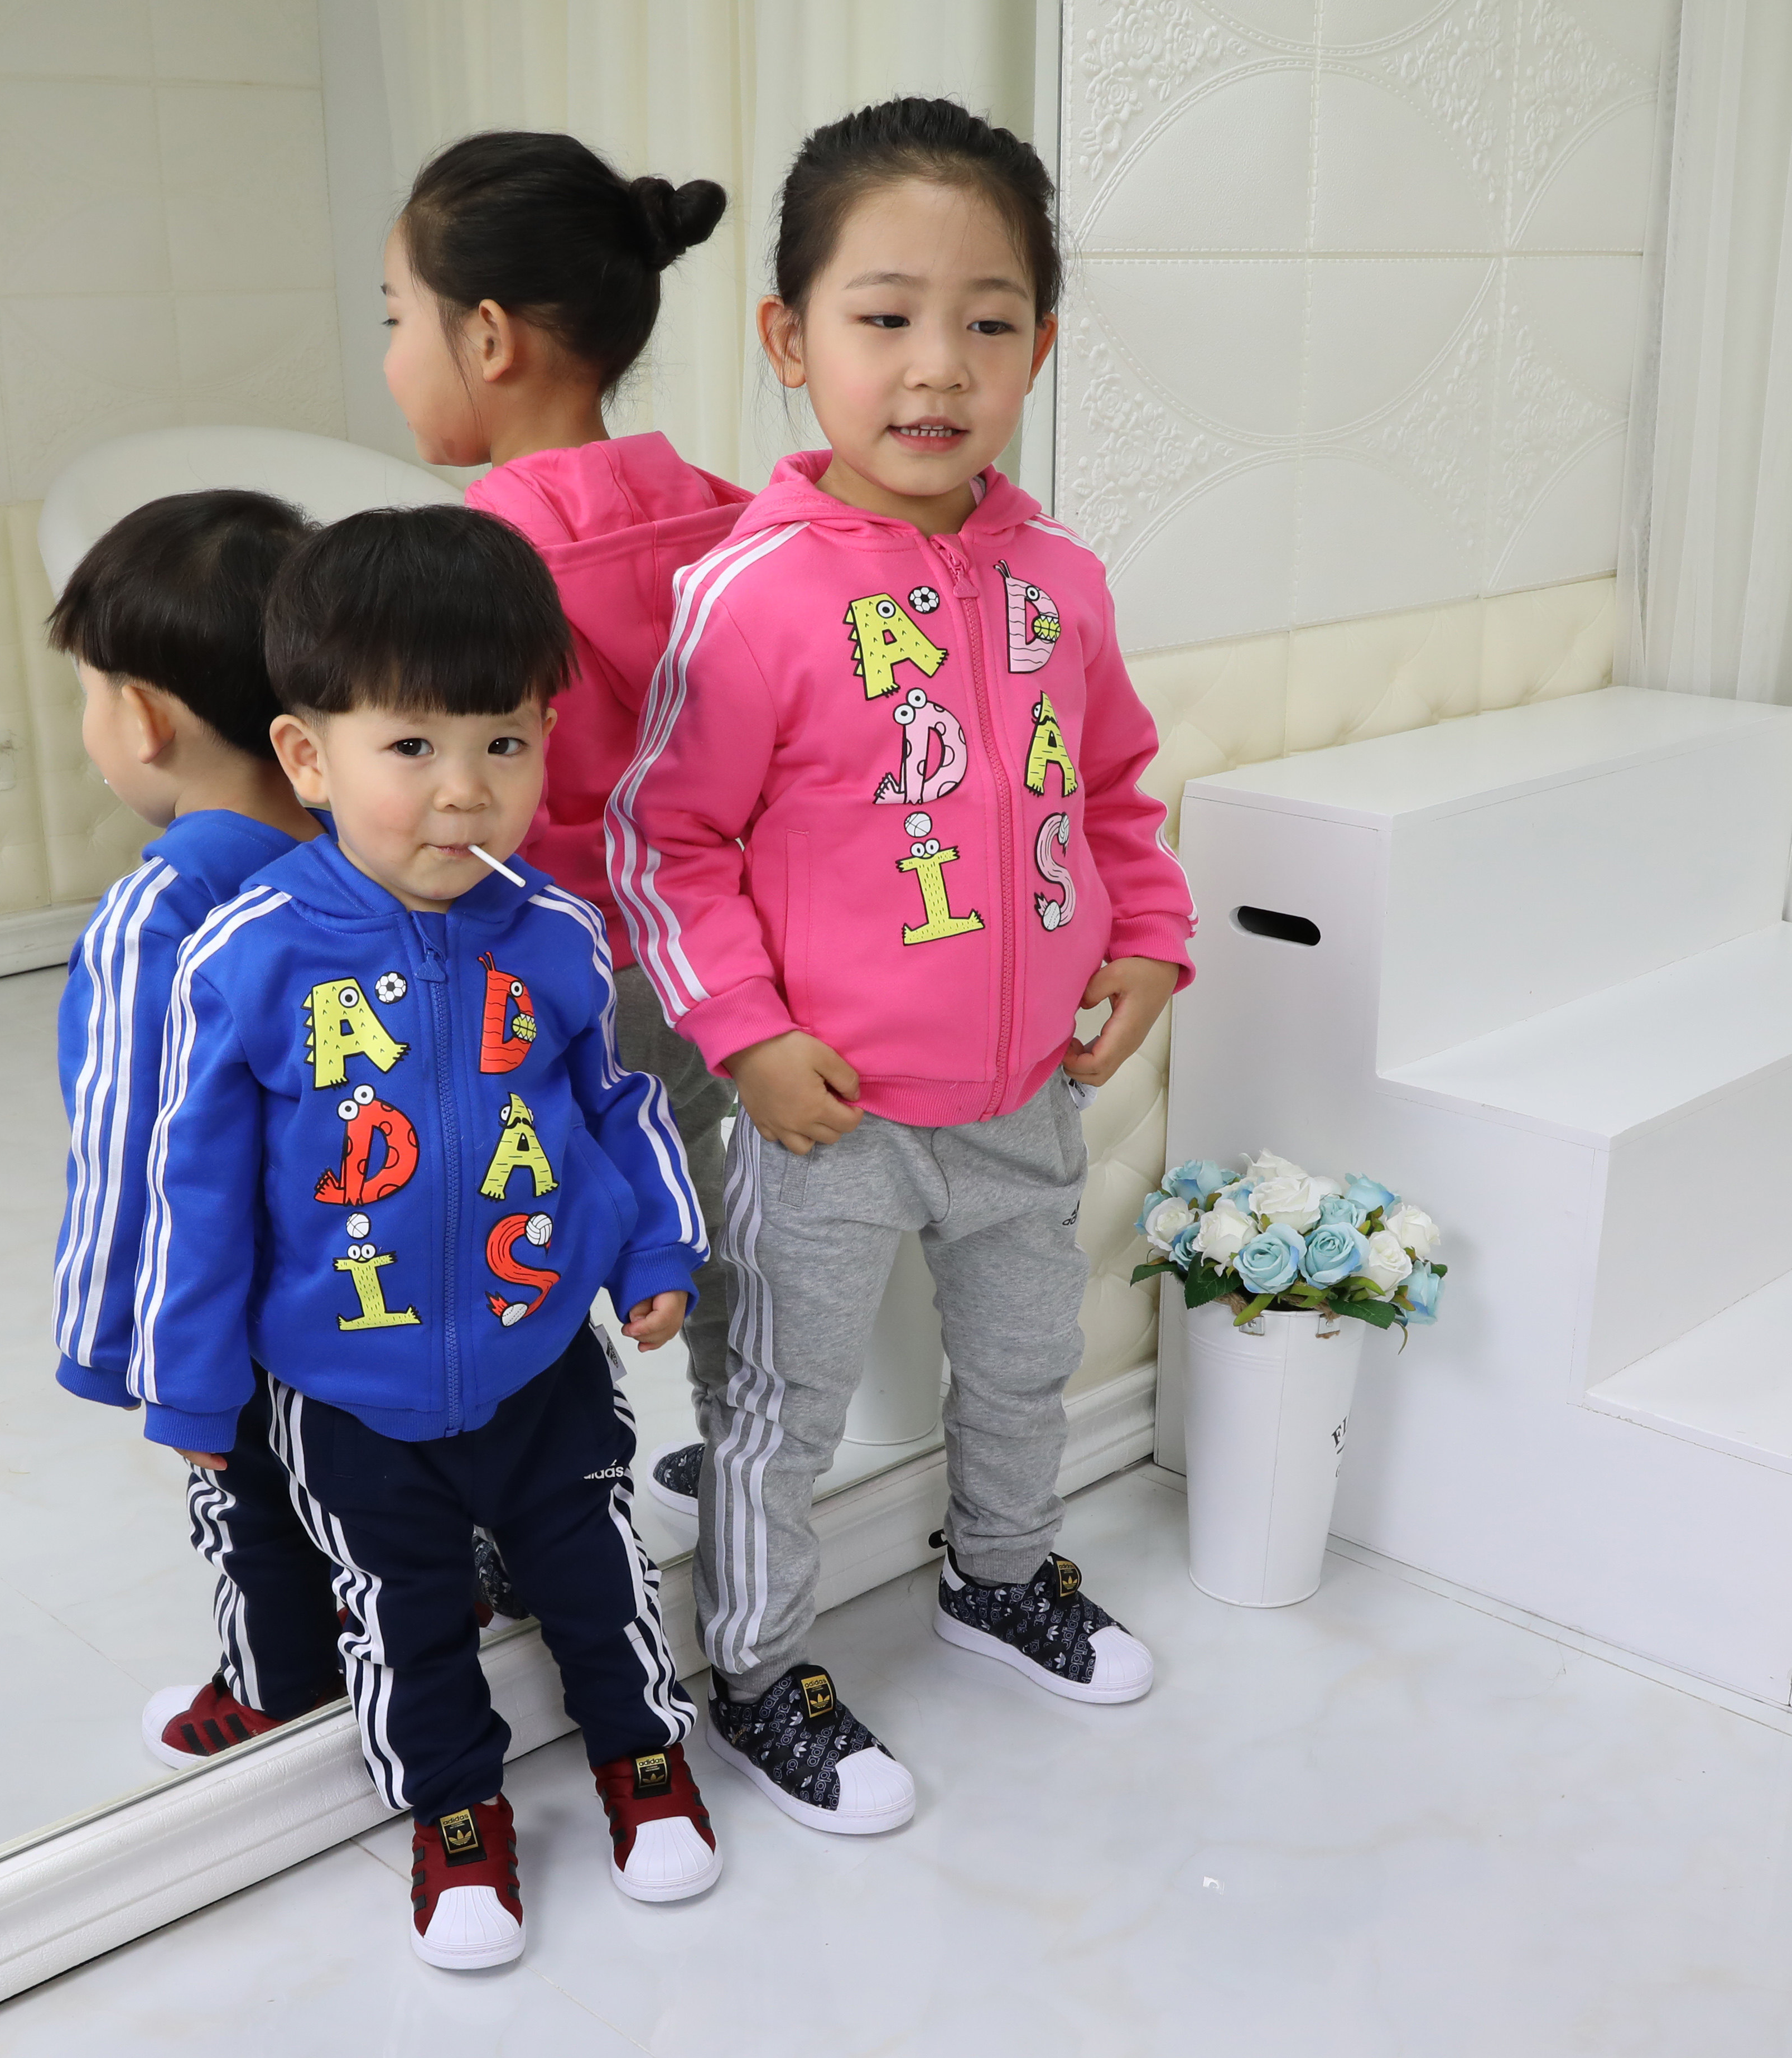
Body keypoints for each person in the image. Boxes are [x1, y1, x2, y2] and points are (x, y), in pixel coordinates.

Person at [608, 97, 1197, 1836]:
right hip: (827, 1117)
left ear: (1040, 348)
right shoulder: (753, 596)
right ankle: (756, 1667)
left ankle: (999, 1576)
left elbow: (1112, 790)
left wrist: (1149, 936)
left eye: (987, 321)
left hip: (1024, 1096)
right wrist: (746, 1037)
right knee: (778, 1411)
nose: (938, 365)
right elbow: (664, 844)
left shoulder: (1063, 582)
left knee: (1022, 1367)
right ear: (790, 340)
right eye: (885, 317)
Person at [129, 505, 720, 1969]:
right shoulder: (248, 954)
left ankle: (643, 1755)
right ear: (308, 756)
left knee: (597, 1574)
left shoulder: (556, 932)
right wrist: (193, 1391)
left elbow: (618, 1104)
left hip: (542, 1358)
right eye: (411, 746)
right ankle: (455, 1815)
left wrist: (652, 1252)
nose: (465, 791)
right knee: (402, 1622)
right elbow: (195, 1191)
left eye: (503, 741)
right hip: (347, 1393)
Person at [380, 132, 748, 1438]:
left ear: (487, 338)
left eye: (394, 319)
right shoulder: (733, 515)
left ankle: (525, 1485)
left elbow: (444, 799)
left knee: (505, 1221)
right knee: (699, 1196)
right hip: (722, 960)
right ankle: (742, 1443)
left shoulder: (471, 565)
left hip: (555, 971)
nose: (390, 358)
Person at [47, 489, 350, 1767]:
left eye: (86, 696)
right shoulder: (378, 855)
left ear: (144, 719)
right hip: (385, 1276)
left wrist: (113, 1336)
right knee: (389, 1469)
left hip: (237, 1303)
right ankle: (424, 1604)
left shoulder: (159, 913)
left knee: (251, 1502)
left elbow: (130, 1146)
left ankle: (277, 1691)